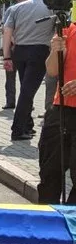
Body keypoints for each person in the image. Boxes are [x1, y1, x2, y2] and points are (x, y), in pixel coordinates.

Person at [4, 0, 54, 141]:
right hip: (39, 51)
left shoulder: (16, 8)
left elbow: (7, 33)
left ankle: (27, 126)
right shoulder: (52, 7)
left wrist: (6, 56)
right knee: (28, 91)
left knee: (26, 89)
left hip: (19, 51)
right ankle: (17, 129)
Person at [37, 24, 76, 203]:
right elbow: (52, 70)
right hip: (60, 109)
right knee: (49, 172)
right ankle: (47, 222)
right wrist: (55, 51)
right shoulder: (69, 29)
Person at [1, 0, 33, 109]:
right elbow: (5, 28)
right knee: (10, 76)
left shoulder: (35, 9)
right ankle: (10, 101)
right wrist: (13, 41)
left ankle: (26, 103)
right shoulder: (12, 9)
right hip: (13, 46)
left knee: (26, 78)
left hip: (28, 47)